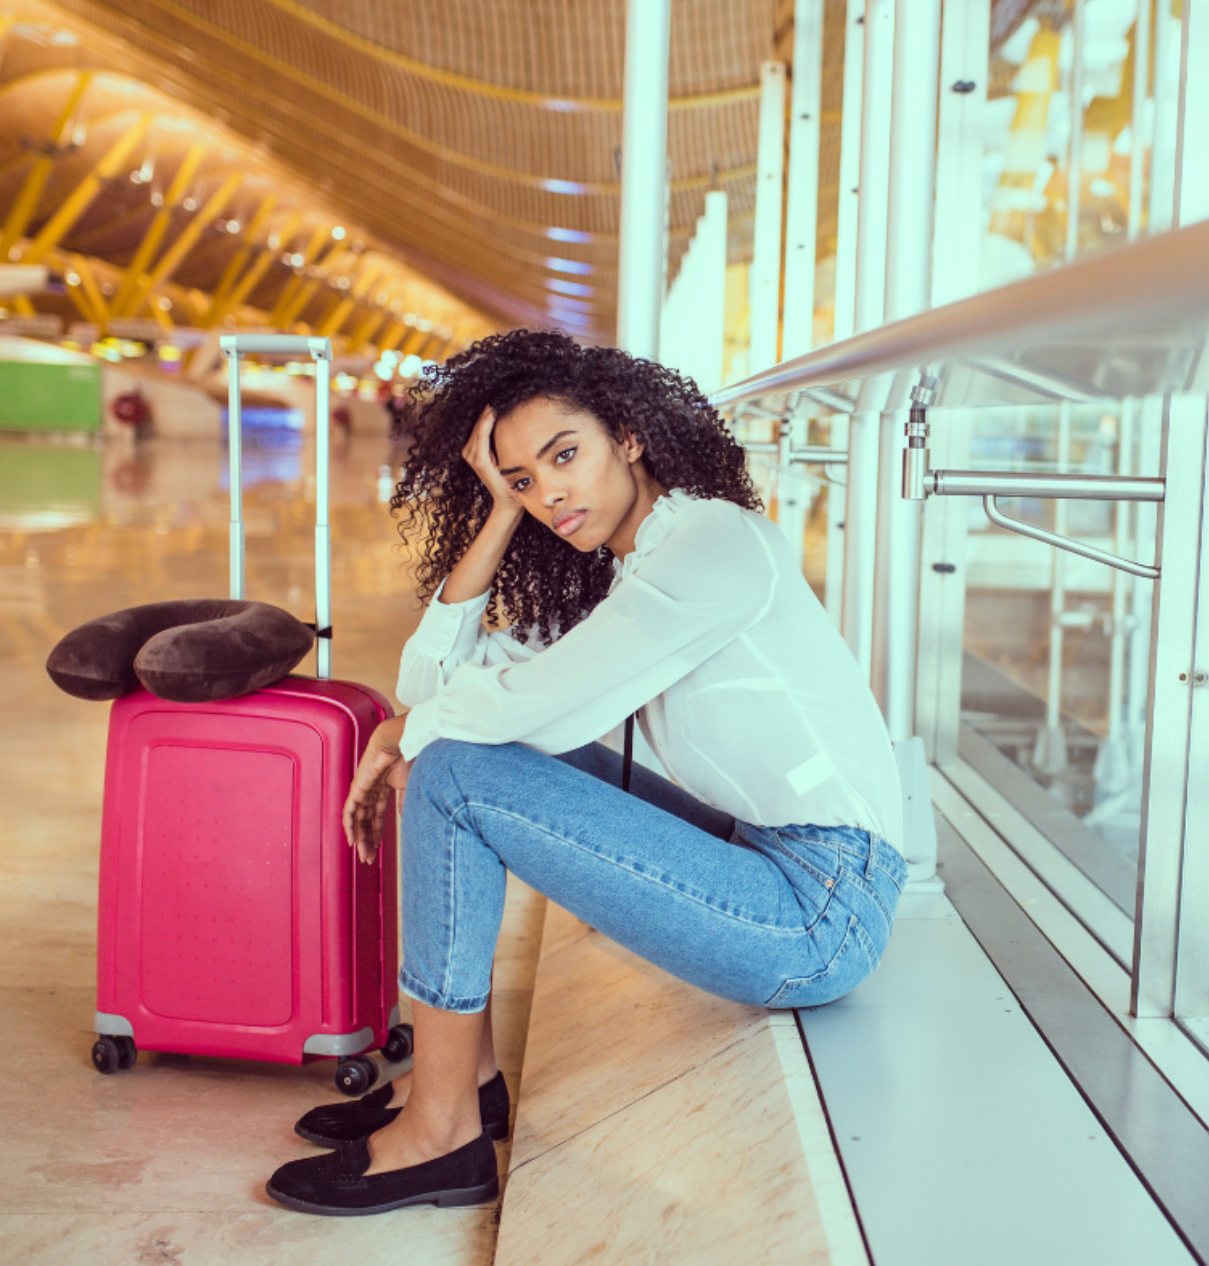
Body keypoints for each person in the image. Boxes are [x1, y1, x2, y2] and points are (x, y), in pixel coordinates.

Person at [264, 330, 906, 1216]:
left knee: (453, 771)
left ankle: (442, 1133)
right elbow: (437, 687)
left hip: (817, 910)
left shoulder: (712, 545)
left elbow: (530, 709)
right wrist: (495, 514)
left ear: (629, 437)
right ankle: (467, 1085)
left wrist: (408, 736)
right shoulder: (627, 570)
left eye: (565, 455)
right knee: (455, 751)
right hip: (766, 858)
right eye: (524, 479)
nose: (550, 492)